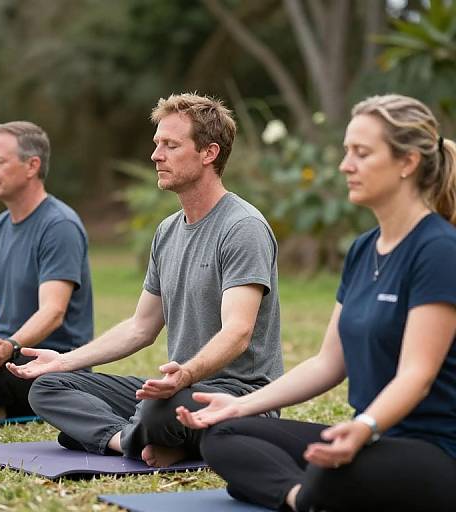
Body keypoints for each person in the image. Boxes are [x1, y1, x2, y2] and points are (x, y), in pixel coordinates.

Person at [176, 94, 456, 512]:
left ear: (407, 162)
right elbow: (328, 363)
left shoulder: (438, 250)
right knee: (226, 434)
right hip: (369, 440)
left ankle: (307, 491)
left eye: (361, 153)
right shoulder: (363, 250)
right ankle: (302, 498)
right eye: (347, 152)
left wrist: (363, 427)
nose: (346, 165)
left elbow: (417, 375)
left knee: (326, 471)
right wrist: (239, 405)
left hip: (433, 451)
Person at [7, 92, 283, 468]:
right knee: (50, 387)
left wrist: (185, 373)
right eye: (157, 144)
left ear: (209, 153)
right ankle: (128, 440)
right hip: (177, 390)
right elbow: (141, 327)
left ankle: (143, 431)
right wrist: (64, 362)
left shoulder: (242, 228)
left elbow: (238, 332)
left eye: (170, 145)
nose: (156, 155)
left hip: (239, 396)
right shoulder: (168, 231)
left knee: (158, 411)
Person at [0, 121, 93, 421]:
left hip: (49, 366)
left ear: (31, 166)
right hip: (2, 359)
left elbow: (53, 311)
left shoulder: (59, 226)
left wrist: (12, 344)